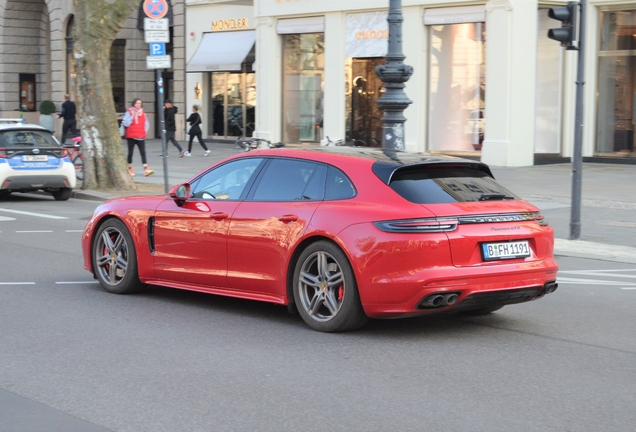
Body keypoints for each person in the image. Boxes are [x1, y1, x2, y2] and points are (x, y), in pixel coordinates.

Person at [122, 98, 154, 177]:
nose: (138, 105)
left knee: (143, 152)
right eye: (137, 103)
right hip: (131, 136)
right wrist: (132, 116)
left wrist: (144, 132)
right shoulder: (129, 112)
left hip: (140, 136)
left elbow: (146, 124)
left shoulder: (143, 112)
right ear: (133, 104)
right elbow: (126, 123)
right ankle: (129, 168)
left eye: (140, 103)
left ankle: (146, 168)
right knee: (130, 152)